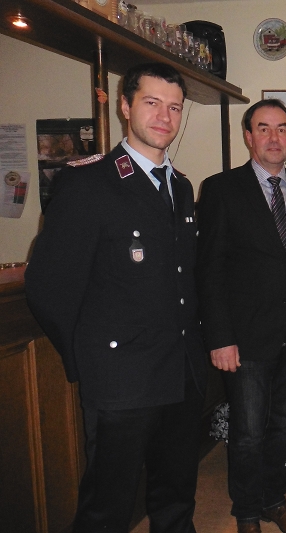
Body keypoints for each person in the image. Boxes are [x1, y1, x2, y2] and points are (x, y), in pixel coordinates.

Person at [25, 62, 207, 532]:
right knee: (107, 507)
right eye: (152, 103)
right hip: (121, 379)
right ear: (125, 106)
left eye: (174, 107)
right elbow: (48, 286)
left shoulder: (181, 186)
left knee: (176, 498)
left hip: (180, 373)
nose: (164, 117)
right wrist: (90, 360)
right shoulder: (89, 183)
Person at [195, 99, 286, 533]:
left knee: (282, 426)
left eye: (282, 128)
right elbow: (209, 269)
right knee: (247, 432)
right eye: (263, 128)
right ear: (248, 136)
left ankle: (273, 501)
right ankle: (247, 512)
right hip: (244, 337)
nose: (273, 137)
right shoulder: (220, 189)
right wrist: (218, 336)